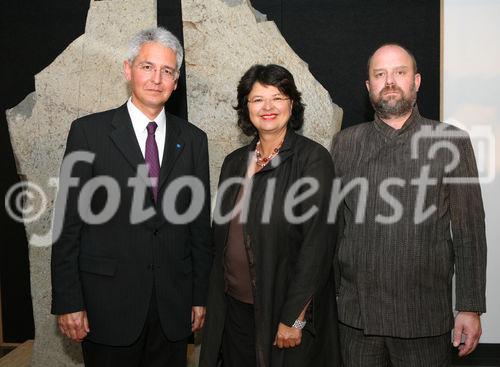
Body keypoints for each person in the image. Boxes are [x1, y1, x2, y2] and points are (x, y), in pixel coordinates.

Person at [50, 27, 212, 367]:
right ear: (128, 70)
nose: (157, 78)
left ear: (176, 81)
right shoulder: (88, 133)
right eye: (147, 67)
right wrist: (68, 300)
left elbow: (199, 227)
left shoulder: (194, 140)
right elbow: (68, 224)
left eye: (167, 71)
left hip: (172, 307)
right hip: (106, 306)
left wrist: (199, 297)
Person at [330, 43, 487, 366]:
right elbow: (334, 229)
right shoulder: (345, 143)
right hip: (356, 319)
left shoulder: (451, 141)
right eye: (380, 74)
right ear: (368, 86)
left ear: (416, 81)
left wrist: (470, 307)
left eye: (399, 72)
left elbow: (469, 230)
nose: (390, 81)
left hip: (424, 319)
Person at [199, 64, 340, 367]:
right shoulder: (234, 163)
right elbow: (221, 239)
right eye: (257, 99)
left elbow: (318, 247)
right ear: (246, 107)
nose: (268, 107)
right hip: (233, 311)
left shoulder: (312, 160)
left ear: (292, 104)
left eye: (277, 97)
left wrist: (295, 318)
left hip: (281, 313)